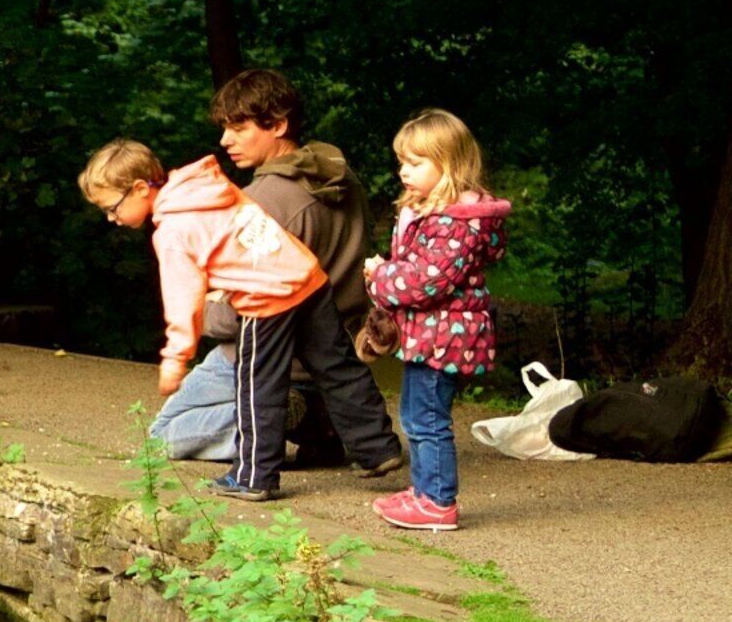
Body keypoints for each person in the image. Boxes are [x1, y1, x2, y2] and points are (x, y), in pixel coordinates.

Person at [80, 137, 329, 501]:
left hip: (246, 348)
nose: (111, 219)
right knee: (168, 425)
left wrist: (178, 354)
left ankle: (285, 421)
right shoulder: (212, 190)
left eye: (112, 208)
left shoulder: (199, 217)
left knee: (161, 437)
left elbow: (223, 310)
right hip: (255, 346)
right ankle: (290, 416)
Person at [211, 69, 407, 482]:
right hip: (338, 326)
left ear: (278, 124)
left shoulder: (263, 199)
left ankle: (264, 460)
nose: (226, 140)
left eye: (238, 127)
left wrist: (202, 314)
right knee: (333, 360)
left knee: (169, 429)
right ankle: (372, 445)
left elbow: (238, 306)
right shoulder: (341, 178)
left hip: (282, 336)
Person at [365, 110, 512, 532]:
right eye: (402, 162)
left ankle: (438, 503)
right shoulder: (434, 213)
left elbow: (424, 282)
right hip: (430, 334)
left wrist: (381, 276)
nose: (403, 172)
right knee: (415, 414)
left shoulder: (456, 225)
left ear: (448, 164)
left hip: (444, 337)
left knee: (426, 419)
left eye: (415, 163)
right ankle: (424, 490)